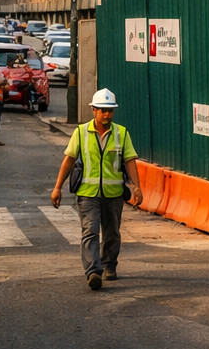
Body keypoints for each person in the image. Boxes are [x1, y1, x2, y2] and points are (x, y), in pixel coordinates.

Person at [51, 89, 143, 291]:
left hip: (114, 194)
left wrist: (136, 187)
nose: (106, 115)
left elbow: (130, 161)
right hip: (88, 193)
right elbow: (69, 160)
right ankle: (93, 271)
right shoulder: (81, 132)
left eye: (110, 111)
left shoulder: (122, 133)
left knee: (112, 233)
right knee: (90, 231)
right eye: (102, 110)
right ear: (94, 110)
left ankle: (109, 265)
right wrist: (57, 187)